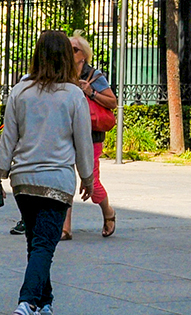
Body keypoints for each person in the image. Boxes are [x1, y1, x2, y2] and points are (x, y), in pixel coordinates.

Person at [0, 30, 94, 315]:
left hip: (22, 182)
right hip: (56, 182)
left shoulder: (20, 91)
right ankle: (26, 302)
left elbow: (8, 137)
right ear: (64, 58)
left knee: (36, 243)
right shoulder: (73, 95)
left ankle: (44, 303)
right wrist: (88, 177)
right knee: (44, 246)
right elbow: (83, 140)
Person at [64, 34, 118, 240]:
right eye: (67, 48)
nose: (70, 52)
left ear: (83, 55)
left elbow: (112, 102)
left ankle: (108, 211)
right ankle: (65, 227)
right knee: (66, 179)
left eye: (74, 49)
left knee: (92, 182)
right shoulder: (62, 74)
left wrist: (90, 92)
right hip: (67, 133)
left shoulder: (94, 76)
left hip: (91, 135)